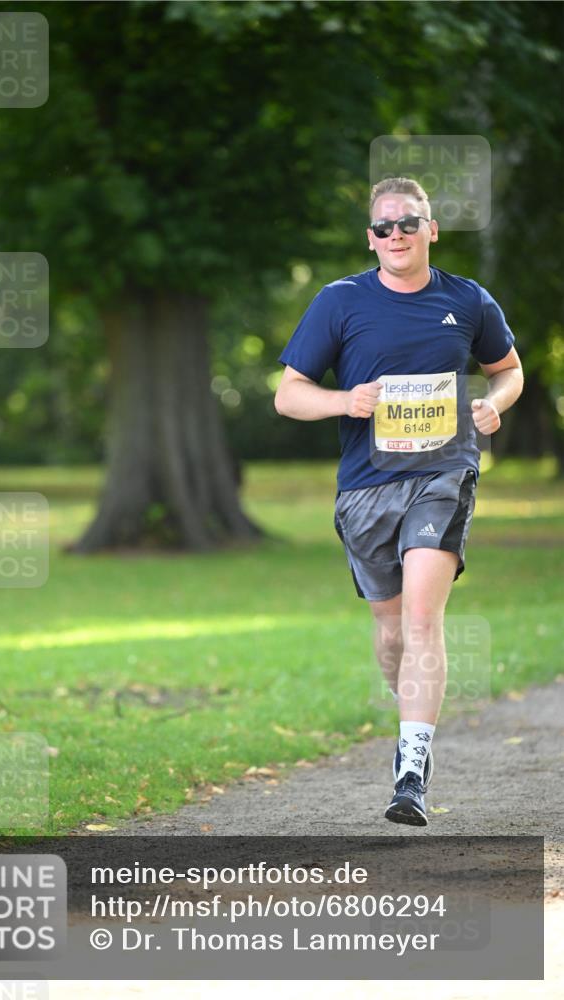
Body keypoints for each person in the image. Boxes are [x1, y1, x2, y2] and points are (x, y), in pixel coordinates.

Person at [274, 176, 524, 826]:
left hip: (443, 472)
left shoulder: (466, 300)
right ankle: (410, 709)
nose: (395, 235)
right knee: (391, 633)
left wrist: (492, 407)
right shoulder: (339, 302)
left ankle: (410, 769)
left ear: (430, 230)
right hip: (365, 488)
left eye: (407, 223)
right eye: (382, 226)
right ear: (369, 237)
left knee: (420, 619)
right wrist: (343, 400)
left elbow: (509, 369)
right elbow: (287, 392)